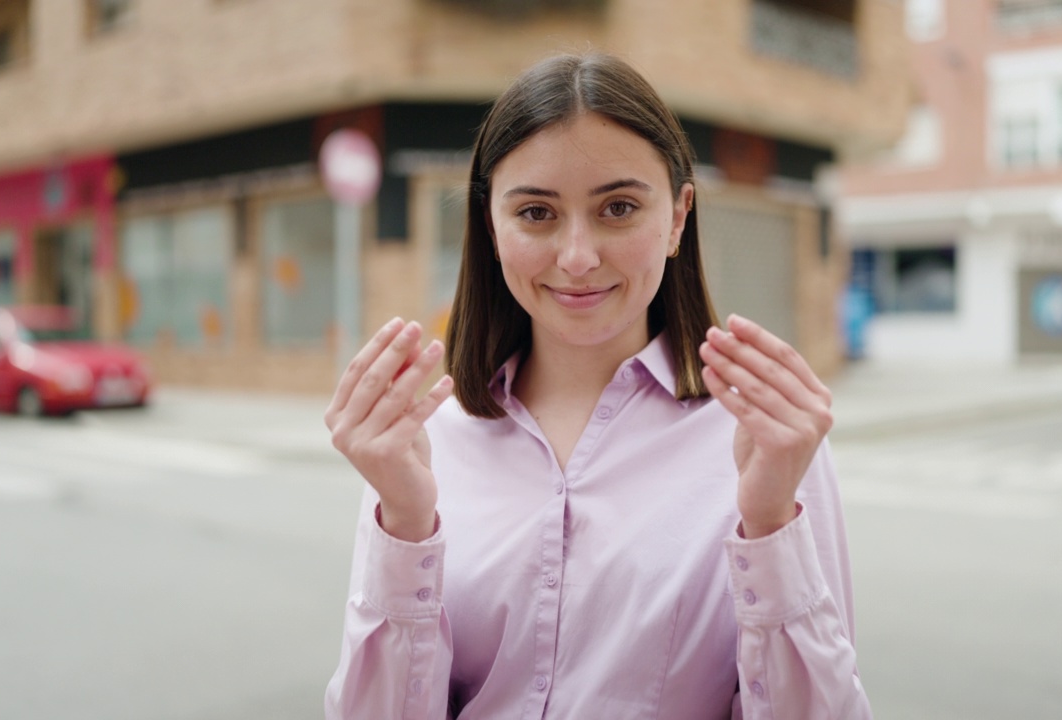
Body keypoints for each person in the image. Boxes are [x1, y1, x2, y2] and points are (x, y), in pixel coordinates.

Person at [324, 52, 871, 720]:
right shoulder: (423, 446)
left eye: (618, 207)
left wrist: (768, 526)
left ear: (676, 217)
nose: (578, 257)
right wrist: (407, 527)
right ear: (490, 226)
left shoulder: (765, 441)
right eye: (535, 213)